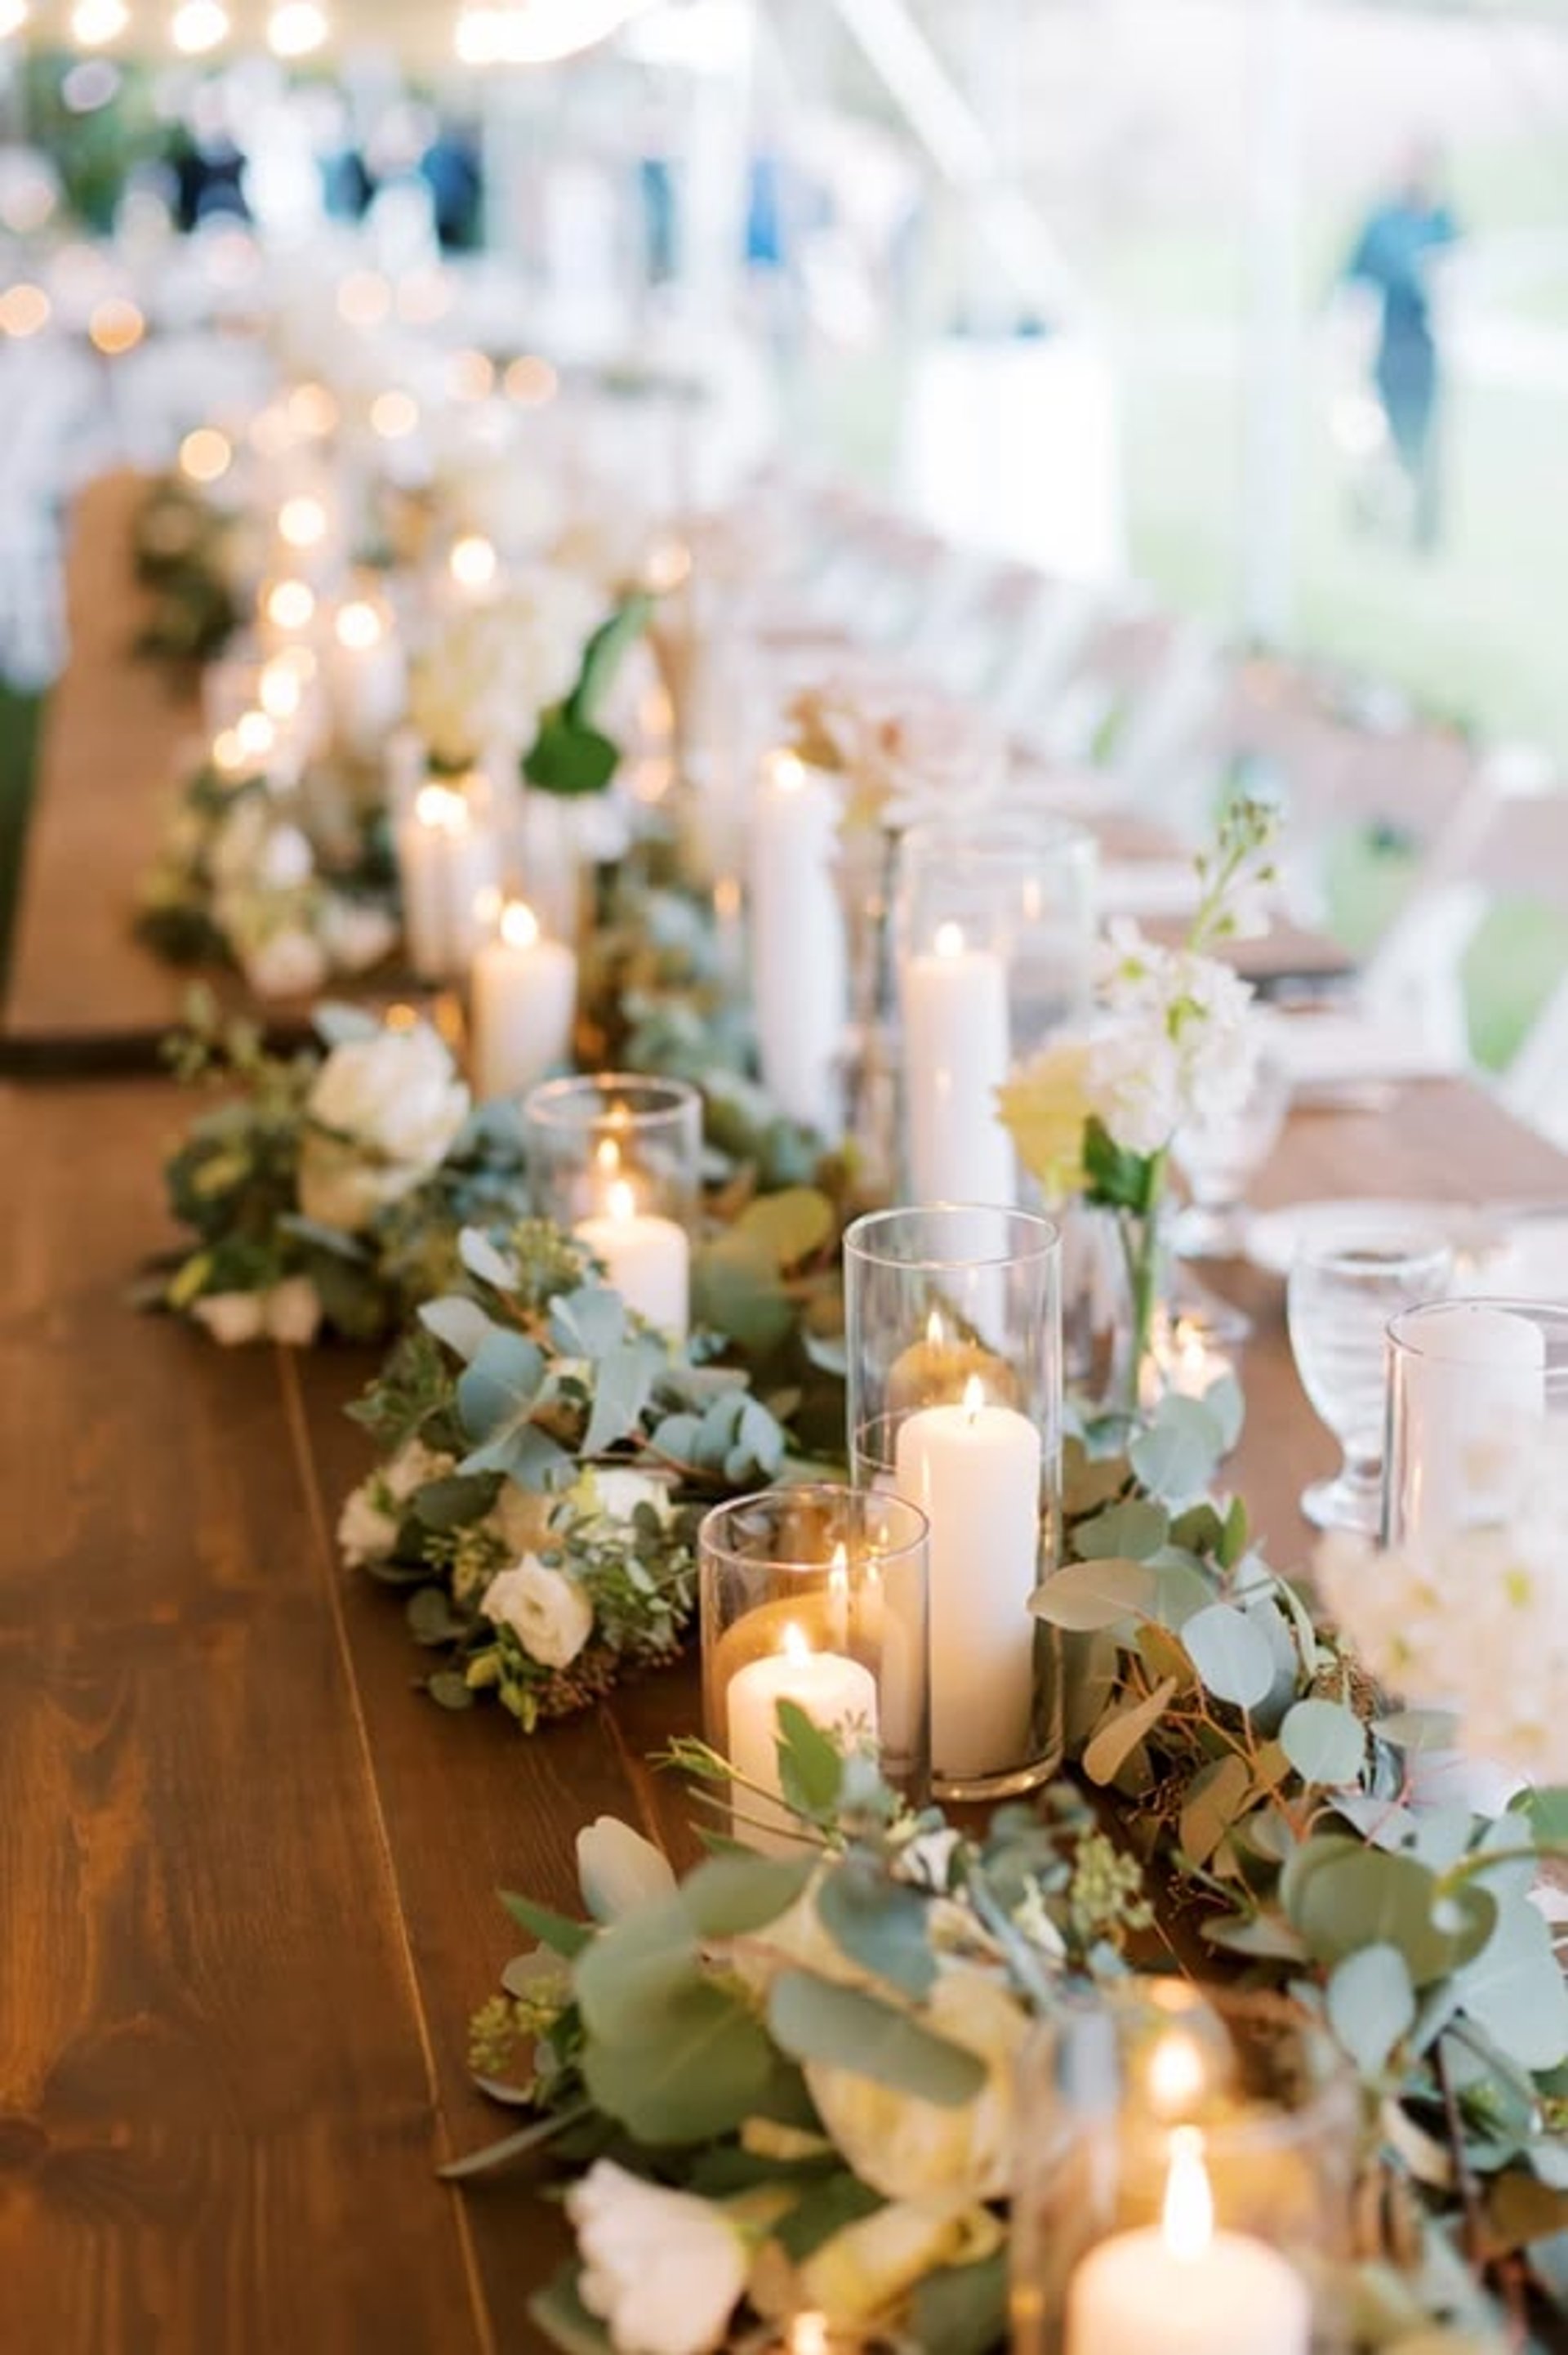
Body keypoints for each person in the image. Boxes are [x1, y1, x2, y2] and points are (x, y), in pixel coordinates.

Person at [1343, 145, 1461, 552]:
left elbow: (1458, 282)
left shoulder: (1443, 222)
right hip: (1386, 345)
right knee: (1379, 439)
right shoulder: (1382, 223)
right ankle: (1368, 515)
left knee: (1424, 442)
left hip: (1427, 348)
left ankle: (1423, 537)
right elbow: (1353, 279)